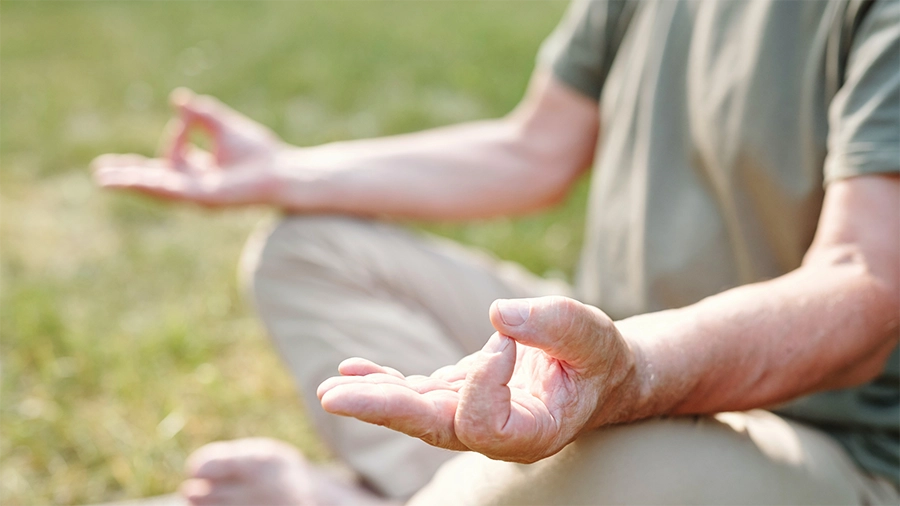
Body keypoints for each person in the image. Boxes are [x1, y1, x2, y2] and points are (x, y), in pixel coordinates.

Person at [92, 0, 900, 504]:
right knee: (307, 251)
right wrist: (285, 172)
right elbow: (532, 148)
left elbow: (862, 286)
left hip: (816, 442)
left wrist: (631, 376)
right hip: (603, 361)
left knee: (610, 468)